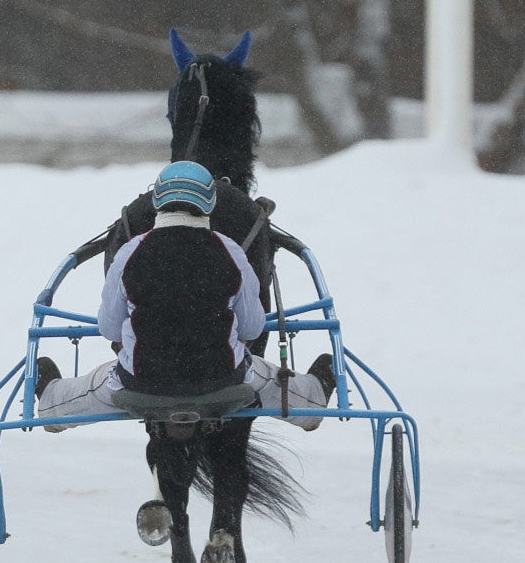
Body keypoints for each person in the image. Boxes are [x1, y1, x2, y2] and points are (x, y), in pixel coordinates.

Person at [35, 160, 332, 432]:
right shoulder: (232, 252)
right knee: (278, 384)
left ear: (157, 202)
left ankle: (51, 405)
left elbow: (109, 329)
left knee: (89, 388)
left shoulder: (129, 253)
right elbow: (253, 328)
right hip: (224, 382)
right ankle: (314, 400)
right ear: (209, 203)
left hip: (141, 384)